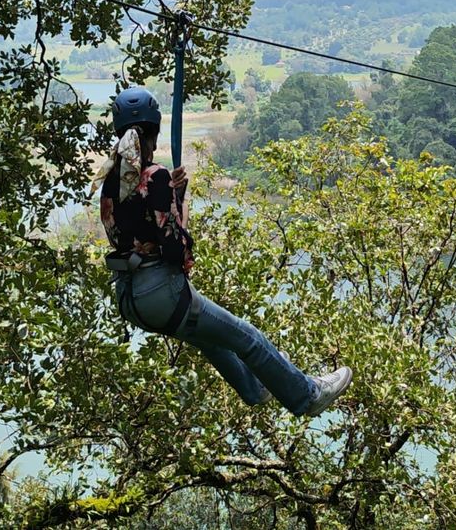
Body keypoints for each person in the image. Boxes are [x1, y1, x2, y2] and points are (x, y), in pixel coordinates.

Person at [93, 86, 352, 417]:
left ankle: (254, 389)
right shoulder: (155, 175)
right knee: (247, 337)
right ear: (154, 132)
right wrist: (178, 198)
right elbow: (176, 250)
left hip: (129, 298)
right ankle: (307, 395)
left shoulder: (110, 182)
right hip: (161, 293)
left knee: (209, 339)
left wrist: (175, 199)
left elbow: (136, 232)